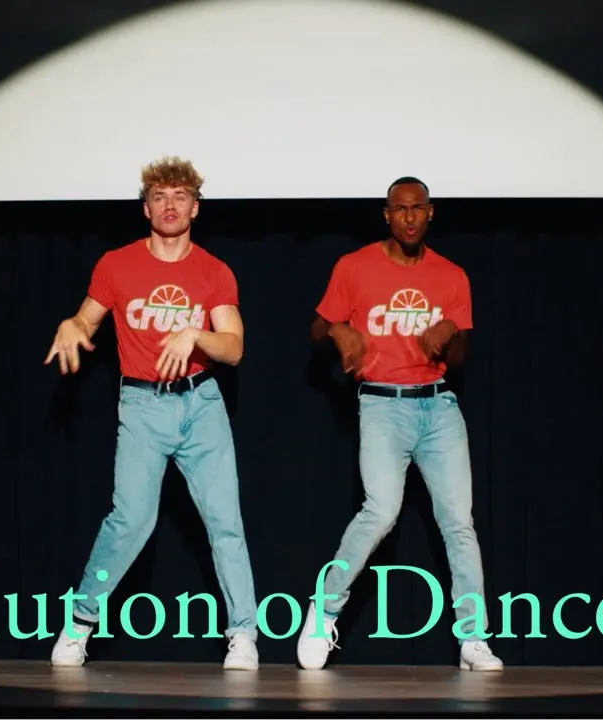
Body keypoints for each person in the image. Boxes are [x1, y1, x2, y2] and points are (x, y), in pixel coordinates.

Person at [44, 156, 259, 670]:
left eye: (180, 196)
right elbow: (86, 320)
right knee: (129, 521)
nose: (170, 205)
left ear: (196, 207)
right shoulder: (116, 265)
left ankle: (243, 634)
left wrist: (195, 334)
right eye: (159, 196)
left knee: (225, 522)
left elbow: (233, 348)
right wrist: (72, 325)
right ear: (146, 208)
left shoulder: (213, 271)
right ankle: (79, 623)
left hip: (202, 404)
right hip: (143, 405)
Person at [296, 177, 503, 672]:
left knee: (459, 523)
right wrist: (340, 332)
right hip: (382, 405)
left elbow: (459, 358)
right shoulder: (354, 267)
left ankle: (473, 638)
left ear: (431, 213)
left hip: (438, 407)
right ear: (386, 215)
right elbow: (317, 328)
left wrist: (449, 333)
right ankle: (323, 613)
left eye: (418, 209)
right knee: (380, 512)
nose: (409, 218)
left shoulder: (451, 276)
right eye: (400, 209)